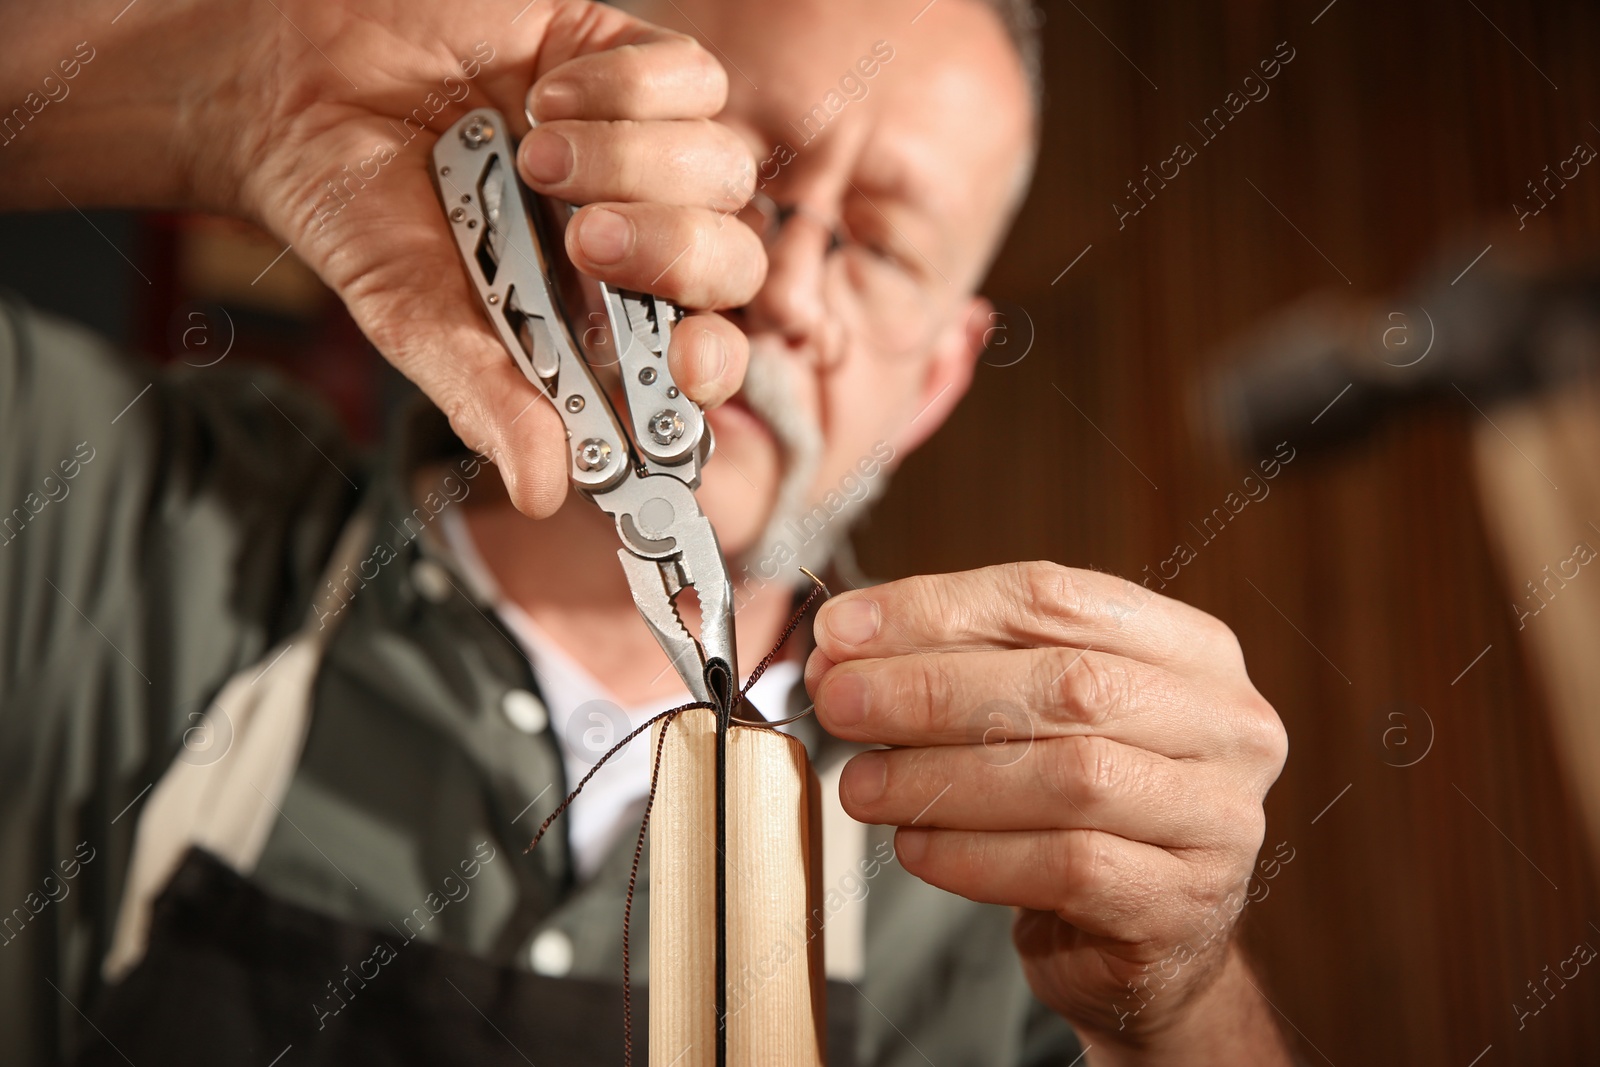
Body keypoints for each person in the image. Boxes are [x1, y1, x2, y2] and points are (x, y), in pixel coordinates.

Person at [0, 0, 1293, 1063]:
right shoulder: (106, 503)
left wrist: (1183, 1009)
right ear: (568, 170)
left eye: (882, 247)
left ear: (939, 380)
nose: (787, 289)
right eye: (751, 179)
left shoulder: (1005, 846)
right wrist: (219, 81)